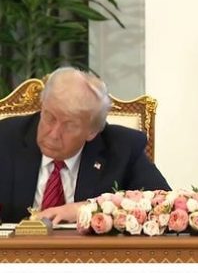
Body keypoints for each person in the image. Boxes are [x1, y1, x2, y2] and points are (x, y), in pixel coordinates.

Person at [0, 67, 170, 223]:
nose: (53, 134)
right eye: (49, 118)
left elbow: (166, 206)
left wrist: (89, 209)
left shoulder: (122, 148)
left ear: (92, 132)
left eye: (69, 126)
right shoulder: (6, 138)